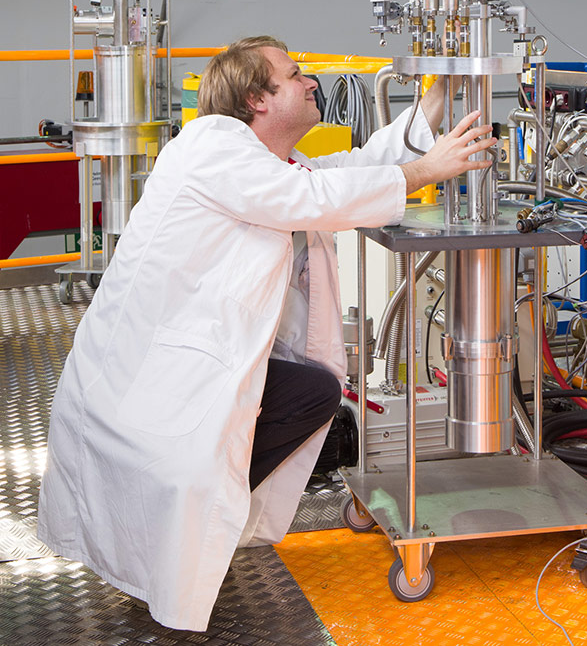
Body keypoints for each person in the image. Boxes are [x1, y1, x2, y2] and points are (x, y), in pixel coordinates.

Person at [36, 36, 495, 632]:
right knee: (236, 438)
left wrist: (437, 93)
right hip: (155, 380)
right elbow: (308, 196)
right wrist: (426, 172)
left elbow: (349, 170)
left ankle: (203, 526)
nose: (311, 82)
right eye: (295, 74)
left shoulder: (267, 161)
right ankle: (188, 538)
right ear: (257, 98)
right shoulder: (210, 147)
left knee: (313, 394)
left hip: (190, 370)